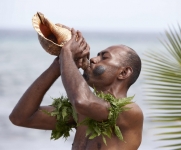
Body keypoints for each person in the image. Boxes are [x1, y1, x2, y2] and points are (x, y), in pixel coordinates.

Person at [9, 28, 143, 150]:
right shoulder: (82, 113)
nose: (94, 59)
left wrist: (67, 53)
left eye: (104, 57)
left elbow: (82, 102)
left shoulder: (130, 111)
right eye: (97, 55)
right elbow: (20, 117)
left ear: (123, 73)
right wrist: (58, 65)